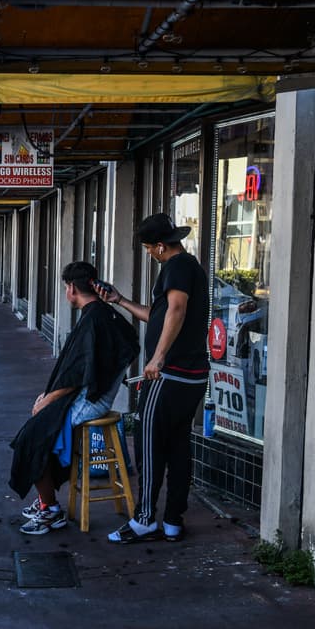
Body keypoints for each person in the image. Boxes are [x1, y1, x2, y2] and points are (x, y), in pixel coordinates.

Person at [100, 213, 209, 544]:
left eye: (149, 249)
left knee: (148, 444)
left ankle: (145, 519)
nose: (149, 254)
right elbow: (160, 316)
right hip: (191, 375)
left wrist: (158, 359)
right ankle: (173, 521)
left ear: (161, 246)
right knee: (177, 446)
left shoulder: (176, 268)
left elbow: (175, 310)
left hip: (170, 375)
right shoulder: (190, 268)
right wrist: (120, 301)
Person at [9, 261, 139, 535]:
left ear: (71, 288)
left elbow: (78, 373)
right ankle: (48, 502)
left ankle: (50, 510)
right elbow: (119, 349)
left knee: (31, 439)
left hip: (90, 400)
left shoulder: (94, 319)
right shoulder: (103, 314)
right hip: (94, 395)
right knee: (39, 431)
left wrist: (48, 399)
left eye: (65, 287)